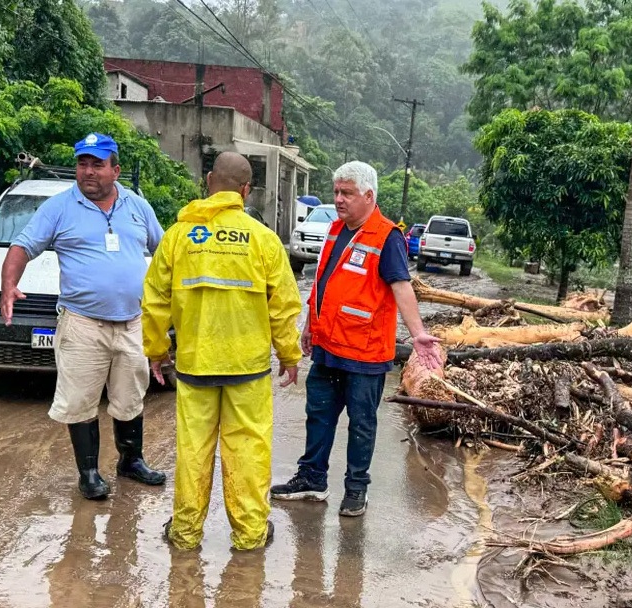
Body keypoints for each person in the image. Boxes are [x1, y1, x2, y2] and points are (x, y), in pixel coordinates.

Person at [143, 152, 302, 551]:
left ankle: (185, 534)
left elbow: (155, 299)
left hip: (196, 365)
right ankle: (249, 537)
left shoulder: (179, 236)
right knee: (248, 451)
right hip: (247, 369)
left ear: (210, 180)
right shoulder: (262, 240)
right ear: (246, 190)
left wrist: (157, 350)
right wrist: (289, 354)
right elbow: (283, 304)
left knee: (193, 451)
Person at [270, 161, 443, 517]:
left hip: (365, 355)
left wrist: (418, 333)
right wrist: (308, 326)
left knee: (362, 424)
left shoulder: (387, 236)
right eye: (336, 192)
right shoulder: (335, 230)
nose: (339, 199)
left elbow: (401, 286)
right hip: (328, 349)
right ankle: (312, 480)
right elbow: (324, 283)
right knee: (318, 415)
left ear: (368, 195)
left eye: (346, 193)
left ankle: (356, 490)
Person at [0, 133, 166, 500]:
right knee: (80, 400)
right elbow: (22, 246)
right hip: (82, 324)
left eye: (97, 164)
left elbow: (165, 251)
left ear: (116, 170)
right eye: (82, 164)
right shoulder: (58, 208)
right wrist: (8, 285)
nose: (88, 172)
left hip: (132, 322)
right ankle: (89, 472)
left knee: (130, 396)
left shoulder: (138, 207)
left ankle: (131, 460)